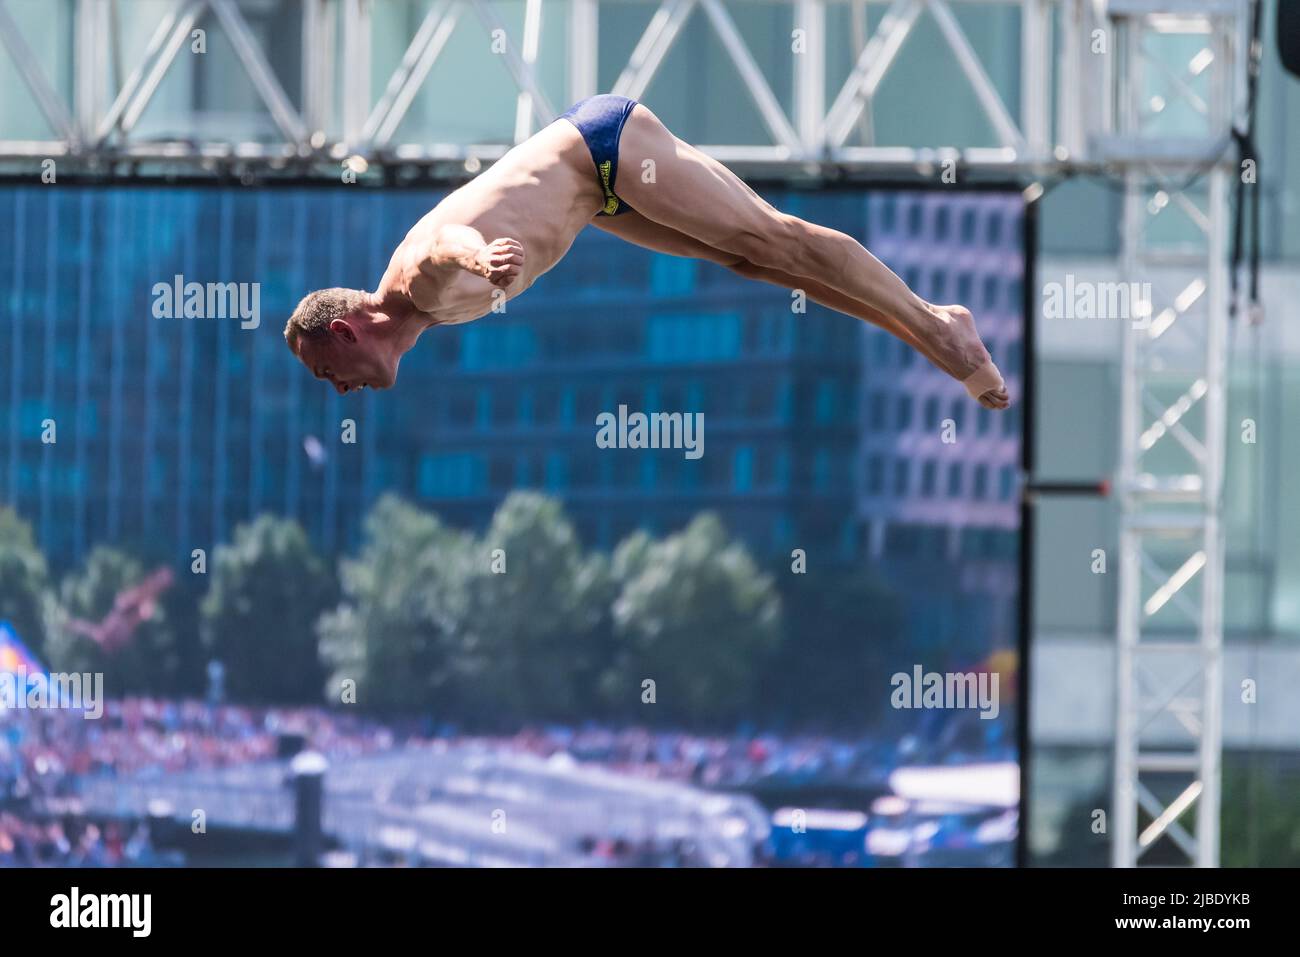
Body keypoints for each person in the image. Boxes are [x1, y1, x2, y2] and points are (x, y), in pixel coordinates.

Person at [285, 94, 1008, 409]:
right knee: (747, 260)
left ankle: (940, 323)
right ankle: (923, 329)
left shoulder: (412, 286)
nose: (338, 388)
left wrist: (482, 261)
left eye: (328, 371)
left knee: (767, 234)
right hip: (598, 196)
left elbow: (444, 246)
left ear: (345, 329)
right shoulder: (424, 319)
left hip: (603, 148)